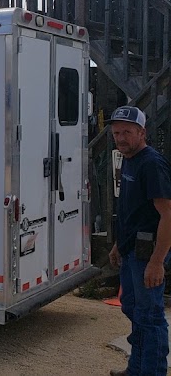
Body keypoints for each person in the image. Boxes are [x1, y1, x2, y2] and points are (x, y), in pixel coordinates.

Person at [108, 106, 171, 376]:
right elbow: (131, 209)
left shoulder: (151, 163)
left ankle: (152, 371)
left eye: (127, 132)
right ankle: (136, 369)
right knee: (133, 308)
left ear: (142, 132)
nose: (121, 138)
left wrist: (157, 262)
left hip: (148, 254)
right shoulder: (129, 159)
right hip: (131, 250)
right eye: (116, 132)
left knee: (150, 316)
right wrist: (117, 244)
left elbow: (167, 213)